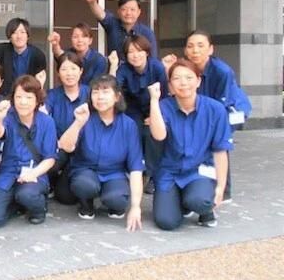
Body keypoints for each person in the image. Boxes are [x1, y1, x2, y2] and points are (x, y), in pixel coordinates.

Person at [163, 30, 251, 202]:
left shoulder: (222, 71)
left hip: (232, 109)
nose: (195, 50)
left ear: (210, 49)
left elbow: (222, 105)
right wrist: (167, 70)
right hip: (208, 107)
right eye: (190, 46)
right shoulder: (186, 68)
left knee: (219, 141)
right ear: (185, 50)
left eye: (200, 46)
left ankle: (223, 190)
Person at [148, 59, 232, 230]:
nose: (183, 83)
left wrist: (220, 187)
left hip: (199, 171)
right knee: (166, 222)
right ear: (170, 85)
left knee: (199, 200)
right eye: (176, 78)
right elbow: (158, 135)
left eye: (189, 77)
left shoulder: (215, 109)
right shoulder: (164, 106)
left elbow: (220, 151)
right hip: (170, 171)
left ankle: (204, 210)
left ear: (198, 81)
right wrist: (154, 101)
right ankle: (182, 203)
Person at [64, 75, 144, 231]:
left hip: (114, 173)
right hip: (85, 170)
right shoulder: (85, 117)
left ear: (117, 97)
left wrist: (136, 206)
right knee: (84, 185)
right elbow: (66, 147)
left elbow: (136, 167)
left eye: (105, 91)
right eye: (95, 92)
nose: (100, 97)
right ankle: (86, 204)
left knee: (117, 199)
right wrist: (78, 122)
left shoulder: (128, 125)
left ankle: (114, 204)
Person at [0, 75, 57, 227]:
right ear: (13, 99)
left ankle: (39, 209)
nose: (23, 102)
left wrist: (33, 174)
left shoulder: (47, 121)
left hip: (34, 173)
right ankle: (17, 205)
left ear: (37, 100)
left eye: (28, 97)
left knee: (26, 194)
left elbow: (50, 158)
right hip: (8, 173)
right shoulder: (8, 118)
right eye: (19, 97)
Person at [114, 35, 168, 193]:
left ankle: (152, 174)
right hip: (134, 108)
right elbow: (115, 88)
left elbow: (165, 94)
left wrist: (155, 115)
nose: (135, 55)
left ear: (147, 52)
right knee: (133, 131)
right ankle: (135, 169)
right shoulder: (124, 69)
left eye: (139, 51)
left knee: (151, 134)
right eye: (130, 52)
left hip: (155, 106)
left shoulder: (157, 67)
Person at [44, 52, 90, 204]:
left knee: (66, 197)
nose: (69, 73)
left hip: (84, 150)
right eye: (64, 69)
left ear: (81, 71)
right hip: (59, 147)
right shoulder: (52, 95)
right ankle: (53, 180)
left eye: (73, 68)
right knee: (49, 164)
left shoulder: (90, 94)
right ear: (58, 73)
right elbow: (42, 118)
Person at [0, 17, 47, 96]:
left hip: (27, 96)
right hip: (6, 96)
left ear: (28, 36)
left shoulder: (38, 55)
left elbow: (39, 79)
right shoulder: (4, 50)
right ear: (9, 37)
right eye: (14, 32)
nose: (19, 36)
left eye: (22, 32)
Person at [84, 0, 157, 59]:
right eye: (124, 9)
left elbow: (153, 58)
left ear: (139, 12)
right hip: (115, 67)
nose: (128, 13)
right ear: (118, 11)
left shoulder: (147, 33)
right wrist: (93, 3)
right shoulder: (113, 24)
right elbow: (101, 15)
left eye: (132, 10)